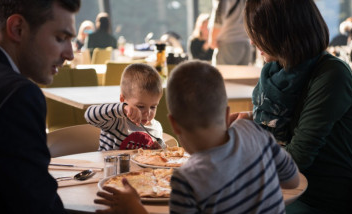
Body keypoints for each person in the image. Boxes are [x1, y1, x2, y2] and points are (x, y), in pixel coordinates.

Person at [94, 60, 300, 213]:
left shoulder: (187, 181)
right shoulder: (255, 132)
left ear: (174, 124)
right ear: (227, 114)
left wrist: (135, 209)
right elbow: (292, 181)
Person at [230, 0, 352, 213]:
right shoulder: (276, 72)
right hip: (281, 189)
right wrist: (251, 120)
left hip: (318, 201)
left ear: (283, 31)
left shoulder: (332, 74)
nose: (251, 43)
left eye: (258, 33)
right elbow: (290, 122)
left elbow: (297, 158)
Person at [0, 0, 80, 213]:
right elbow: (36, 204)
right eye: (61, 38)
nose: (69, 55)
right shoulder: (19, 95)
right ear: (18, 28)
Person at [85, 63, 165, 151]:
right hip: (109, 164)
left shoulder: (156, 128)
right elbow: (89, 115)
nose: (147, 113)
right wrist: (122, 109)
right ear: (123, 99)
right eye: (141, 106)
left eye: (153, 107)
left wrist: (160, 149)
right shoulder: (115, 121)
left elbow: (162, 149)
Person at [208, 0, 254, 65]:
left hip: (228, 44)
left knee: (222, 74)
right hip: (246, 43)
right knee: (243, 74)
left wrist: (212, 39)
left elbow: (219, 19)